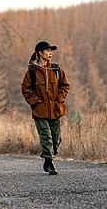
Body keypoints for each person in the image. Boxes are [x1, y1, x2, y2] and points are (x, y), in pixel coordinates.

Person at [21, 41, 70, 175]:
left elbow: (65, 85)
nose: (50, 53)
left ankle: (48, 160)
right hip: (40, 111)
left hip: (56, 109)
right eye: (47, 51)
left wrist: (60, 99)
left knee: (56, 138)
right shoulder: (31, 71)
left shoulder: (56, 69)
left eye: (51, 51)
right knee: (46, 137)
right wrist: (36, 102)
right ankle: (49, 163)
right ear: (40, 53)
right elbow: (25, 89)